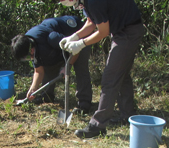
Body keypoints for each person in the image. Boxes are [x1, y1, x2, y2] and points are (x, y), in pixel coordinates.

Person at [59, 0, 144, 139]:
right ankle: (127, 115)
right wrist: (75, 36)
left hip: (128, 32)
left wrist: (81, 43)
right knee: (121, 74)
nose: (62, 2)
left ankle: (97, 126)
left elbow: (103, 31)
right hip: (122, 30)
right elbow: (91, 22)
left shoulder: (93, 1)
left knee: (110, 78)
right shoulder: (86, 2)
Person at [11, 16, 92, 112]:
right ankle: (47, 98)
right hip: (58, 47)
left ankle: (84, 104)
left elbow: (75, 50)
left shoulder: (51, 38)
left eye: (28, 57)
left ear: (31, 50)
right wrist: (33, 89)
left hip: (79, 36)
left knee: (80, 68)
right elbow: (39, 71)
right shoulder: (28, 44)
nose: (29, 59)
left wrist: (67, 66)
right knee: (48, 67)